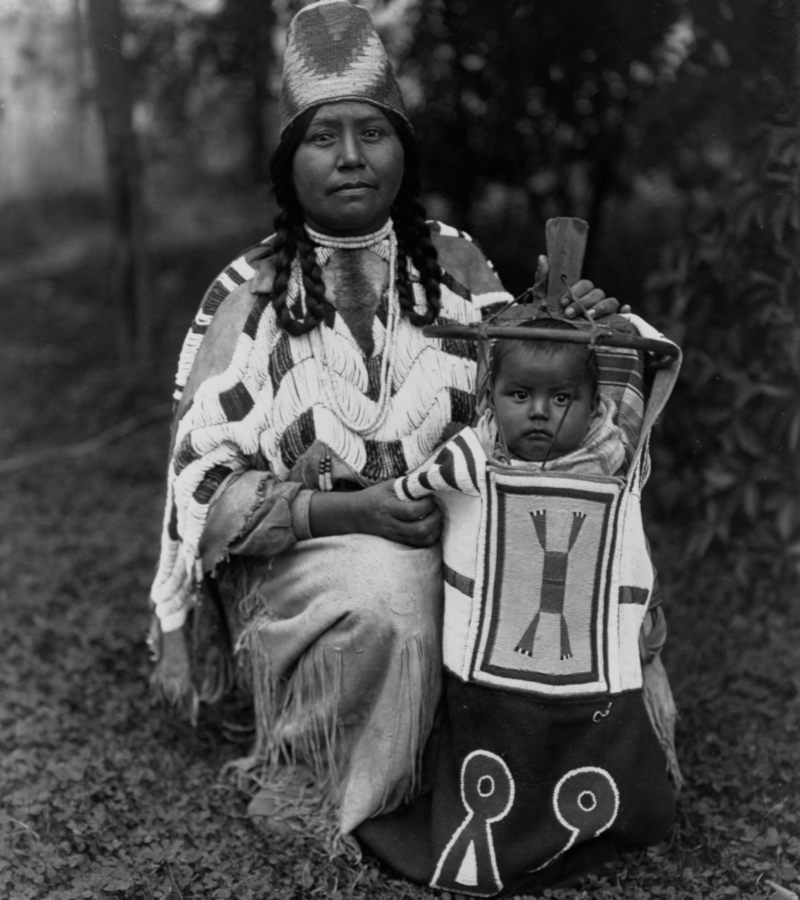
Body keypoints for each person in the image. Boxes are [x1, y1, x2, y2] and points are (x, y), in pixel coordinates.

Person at [148, 0, 630, 864]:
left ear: (401, 146)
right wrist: (354, 512)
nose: (349, 158)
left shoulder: (456, 264)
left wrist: (579, 334)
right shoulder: (250, 294)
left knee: (558, 572)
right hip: (305, 563)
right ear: (287, 160)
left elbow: (529, 399)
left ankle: (518, 784)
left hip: (448, 530)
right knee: (393, 601)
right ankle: (326, 786)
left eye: (371, 132)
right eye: (322, 136)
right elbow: (202, 489)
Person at [354, 315, 682, 895]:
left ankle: (599, 816)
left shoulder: (614, 461)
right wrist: (349, 485)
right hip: (490, 679)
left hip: (590, 674)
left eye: (562, 397)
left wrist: (614, 322)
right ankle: (497, 836)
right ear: (491, 396)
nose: (540, 411)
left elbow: (653, 357)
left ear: (592, 401)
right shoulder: (474, 458)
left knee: (597, 757)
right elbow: (406, 486)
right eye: (519, 394)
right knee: (498, 759)